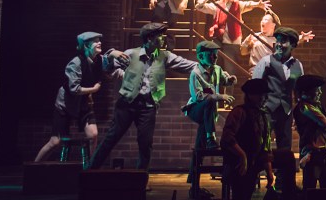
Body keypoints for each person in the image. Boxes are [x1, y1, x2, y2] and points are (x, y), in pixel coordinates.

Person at [89, 22, 199, 170]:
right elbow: (107, 68)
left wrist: (210, 67)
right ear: (149, 38)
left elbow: (189, 65)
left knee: (145, 144)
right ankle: (90, 170)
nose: (163, 39)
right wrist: (111, 53)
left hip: (148, 106)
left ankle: (141, 177)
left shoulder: (164, 56)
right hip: (127, 104)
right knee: (111, 138)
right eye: (160, 36)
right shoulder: (131, 53)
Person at [35, 32, 128, 164]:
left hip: (84, 103)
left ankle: (90, 167)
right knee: (55, 141)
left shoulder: (99, 60)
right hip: (66, 104)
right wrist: (94, 89)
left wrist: (114, 54)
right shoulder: (75, 63)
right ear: (86, 46)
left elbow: (110, 66)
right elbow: (74, 89)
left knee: (93, 135)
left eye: (99, 40)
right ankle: (33, 167)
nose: (99, 42)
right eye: (95, 41)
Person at [251, 27, 304, 170]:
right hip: (267, 110)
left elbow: (298, 91)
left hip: (286, 112)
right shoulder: (266, 61)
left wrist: (298, 114)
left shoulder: (298, 66)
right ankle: (256, 174)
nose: (279, 44)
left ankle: (282, 179)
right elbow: (254, 86)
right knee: (261, 143)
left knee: (285, 148)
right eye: (278, 41)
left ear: (293, 45)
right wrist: (257, 110)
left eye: (283, 41)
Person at [221, 78, 272, 200]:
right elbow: (227, 138)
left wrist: (269, 171)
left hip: (255, 160)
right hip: (239, 164)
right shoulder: (239, 112)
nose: (265, 98)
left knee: (287, 158)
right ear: (250, 95)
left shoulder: (262, 115)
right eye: (261, 95)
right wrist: (242, 156)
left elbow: (266, 146)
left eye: (265, 95)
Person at [195, 0, 271, 71]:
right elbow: (198, 6)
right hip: (218, 41)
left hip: (232, 42)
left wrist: (258, 4)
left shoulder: (238, 5)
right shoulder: (217, 5)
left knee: (230, 70)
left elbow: (248, 4)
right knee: (215, 68)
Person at [182, 40, 237, 150]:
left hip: (209, 109)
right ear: (201, 56)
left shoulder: (217, 69)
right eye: (211, 55)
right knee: (210, 100)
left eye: (216, 54)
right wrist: (220, 97)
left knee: (204, 128)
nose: (215, 57)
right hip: (196, 108)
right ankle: (210, 138)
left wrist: (231, 80)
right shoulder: (196, 73)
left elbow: (225, 81)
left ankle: (198, 155)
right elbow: (198, 96)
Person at [293, 74, 326, 191]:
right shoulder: (306, 108)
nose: (320, 92)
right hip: (312, 154)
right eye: (317, 89)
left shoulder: (317, 106)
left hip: (323, 153)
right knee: (310, 188)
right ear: (307, 91)